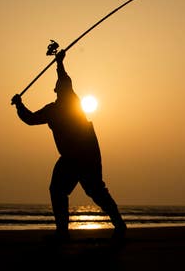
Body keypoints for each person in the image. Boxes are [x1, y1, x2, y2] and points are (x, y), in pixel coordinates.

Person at [11, 50, 126, 242]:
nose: (63, 90)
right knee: (83, 191)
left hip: (82, 155)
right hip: (81, 155)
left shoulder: (68, 105)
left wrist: (59, 64)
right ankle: (70, 231)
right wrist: (20, 106)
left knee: (88, 191)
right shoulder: (64, 106)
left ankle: (69, 232)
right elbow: (30, 118)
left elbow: (31, 118)